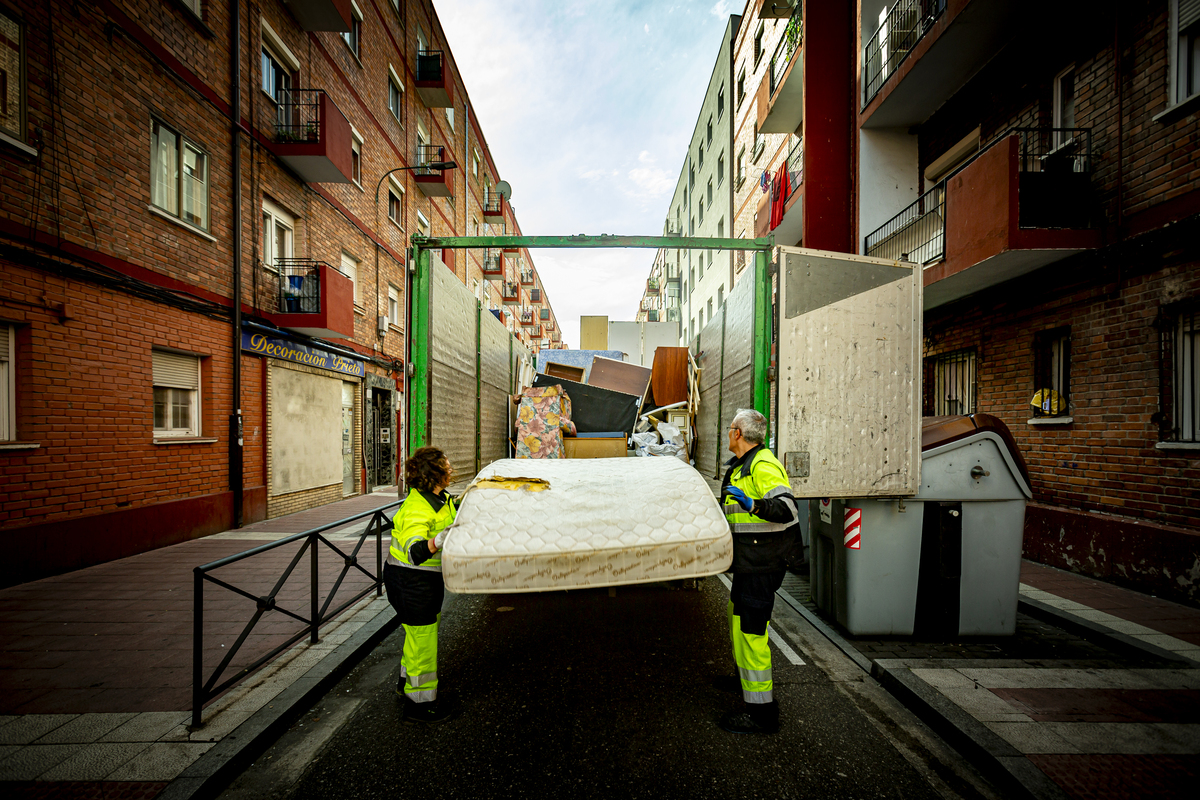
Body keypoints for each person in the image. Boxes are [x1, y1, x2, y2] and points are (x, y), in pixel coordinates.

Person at [716, 408, 800, 735]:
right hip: (750, 560)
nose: (728, 433)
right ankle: (745, 679)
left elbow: (787, 508)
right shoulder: (743, 464)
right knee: (738, 616)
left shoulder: (763, 465)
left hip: (764, 562)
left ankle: (761, 714)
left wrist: (754, 505)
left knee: (751, 630)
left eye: (729, 428)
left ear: (737, 433)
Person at [385, 446, 459, 723]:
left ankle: (405, 686)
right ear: (435, 474)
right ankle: (420, 706)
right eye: (447, 466)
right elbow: (415, 552)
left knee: (418, 637)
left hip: (425, 583)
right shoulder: (416, 508)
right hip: (410, 583)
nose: (451, 469)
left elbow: (452, 512)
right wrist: (439, 540)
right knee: (423, 642)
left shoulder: (438, 498)